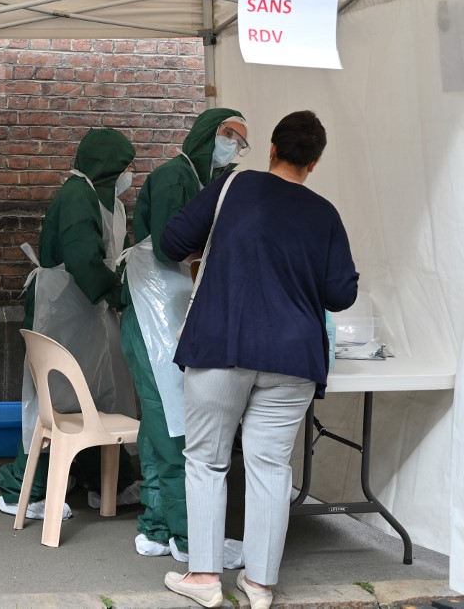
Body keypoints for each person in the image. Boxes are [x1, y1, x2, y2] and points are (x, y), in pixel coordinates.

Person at [159, 111, 358, 608]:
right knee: (271, 467)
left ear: (271, 149)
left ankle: (204, 578)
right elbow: (341, 295)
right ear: (313, 162)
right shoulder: (325, 214)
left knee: (206, 459)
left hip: (223, 341)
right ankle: (260, 584)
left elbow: (172, 242)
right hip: (293, 356)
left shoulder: (234, 186)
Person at [120, 108, 249, 562]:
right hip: (154, 304)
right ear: (207, 133)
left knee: (158, 426)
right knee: (175, 421)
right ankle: (191, 537)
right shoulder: (178, 176)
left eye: (241, 141)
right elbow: (173, 242)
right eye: (229, 135)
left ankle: (158, 527)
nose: (234, 145)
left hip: (156, 305)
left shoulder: (196, 177)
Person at [0, 127, 140, 520]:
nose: (130, 174)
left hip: (84, 312)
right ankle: (23, 489)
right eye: (126, 166)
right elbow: (83, 258)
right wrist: (117, 294)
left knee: (92, 397)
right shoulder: (78, 196)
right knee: (56, 401)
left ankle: (105, 481)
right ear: (108, 164)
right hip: (61, 310)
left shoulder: (108, 199)